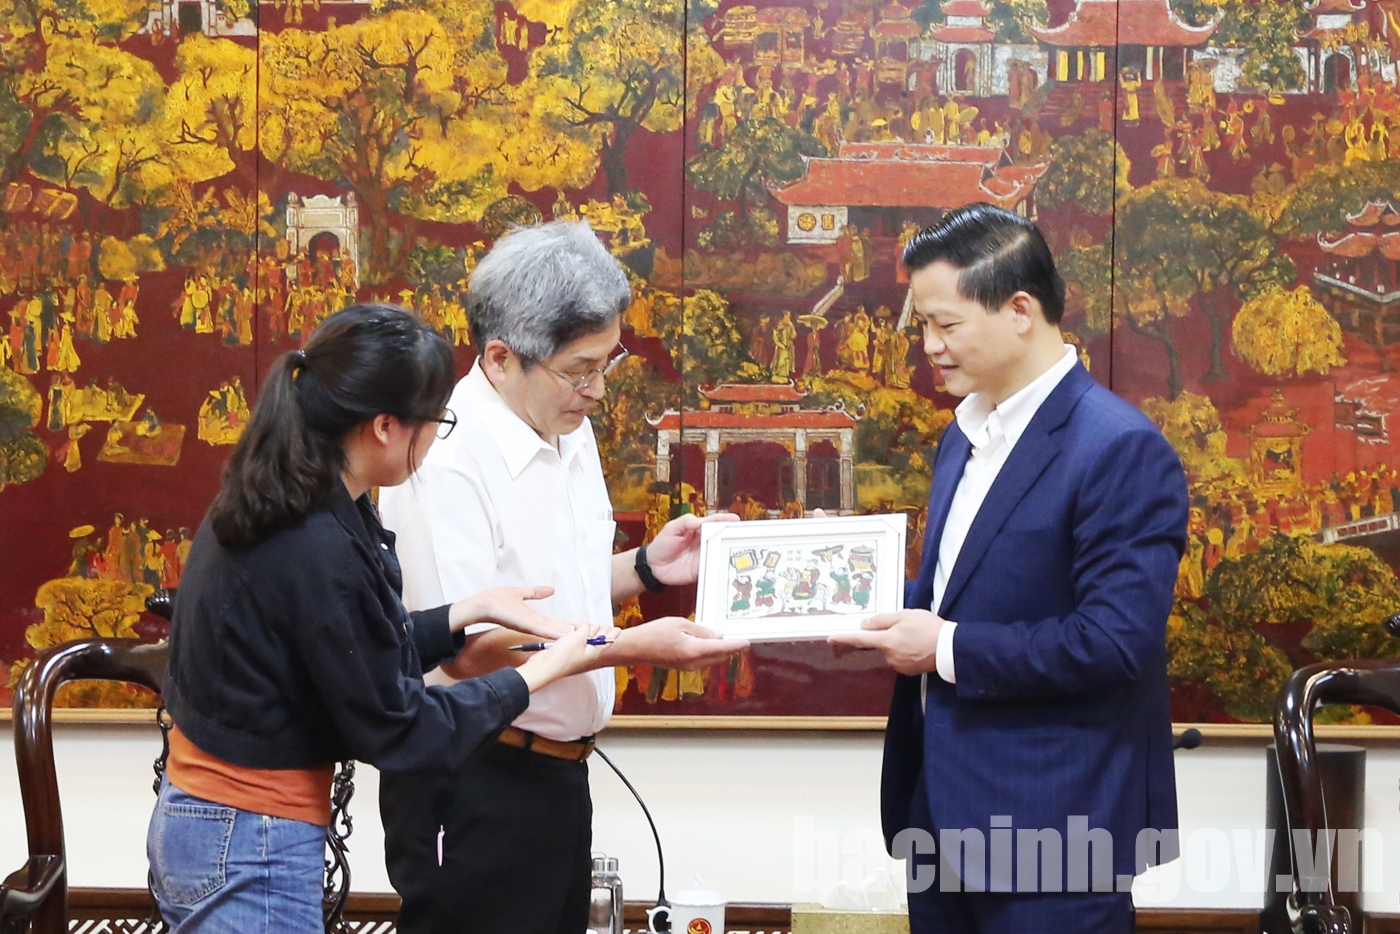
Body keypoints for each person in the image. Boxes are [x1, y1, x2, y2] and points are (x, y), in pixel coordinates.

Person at [149, 304, 611, 934]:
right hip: (246, 836)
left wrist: (466, 611)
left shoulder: (295, 497)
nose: (437, 438)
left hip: (227, 825)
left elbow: (355, 649)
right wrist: (540, 673)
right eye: (436, 422)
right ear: (386, 427)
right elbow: (397, 725)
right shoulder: (312, 539)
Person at [378, 220, 748, 934]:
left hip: (559, 772)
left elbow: (549, 594)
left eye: (608, 363)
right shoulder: (446, 458)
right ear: (500, 357)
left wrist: (646, 568)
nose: (598, 390)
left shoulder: (565, 429)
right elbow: (467, 648)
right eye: (580, 370)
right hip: (477, 776)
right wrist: (632, 648)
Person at [831, 204, 1187, 934]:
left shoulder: (1117, 447)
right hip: (941, 817)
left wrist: (945, 647)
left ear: (1020, 310)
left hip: (1056, 826)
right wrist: (843, 592)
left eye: (946, 324)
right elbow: (960, 593)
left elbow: (1114, 642)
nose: (929, 346)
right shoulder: (964, 434)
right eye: (923, 325)